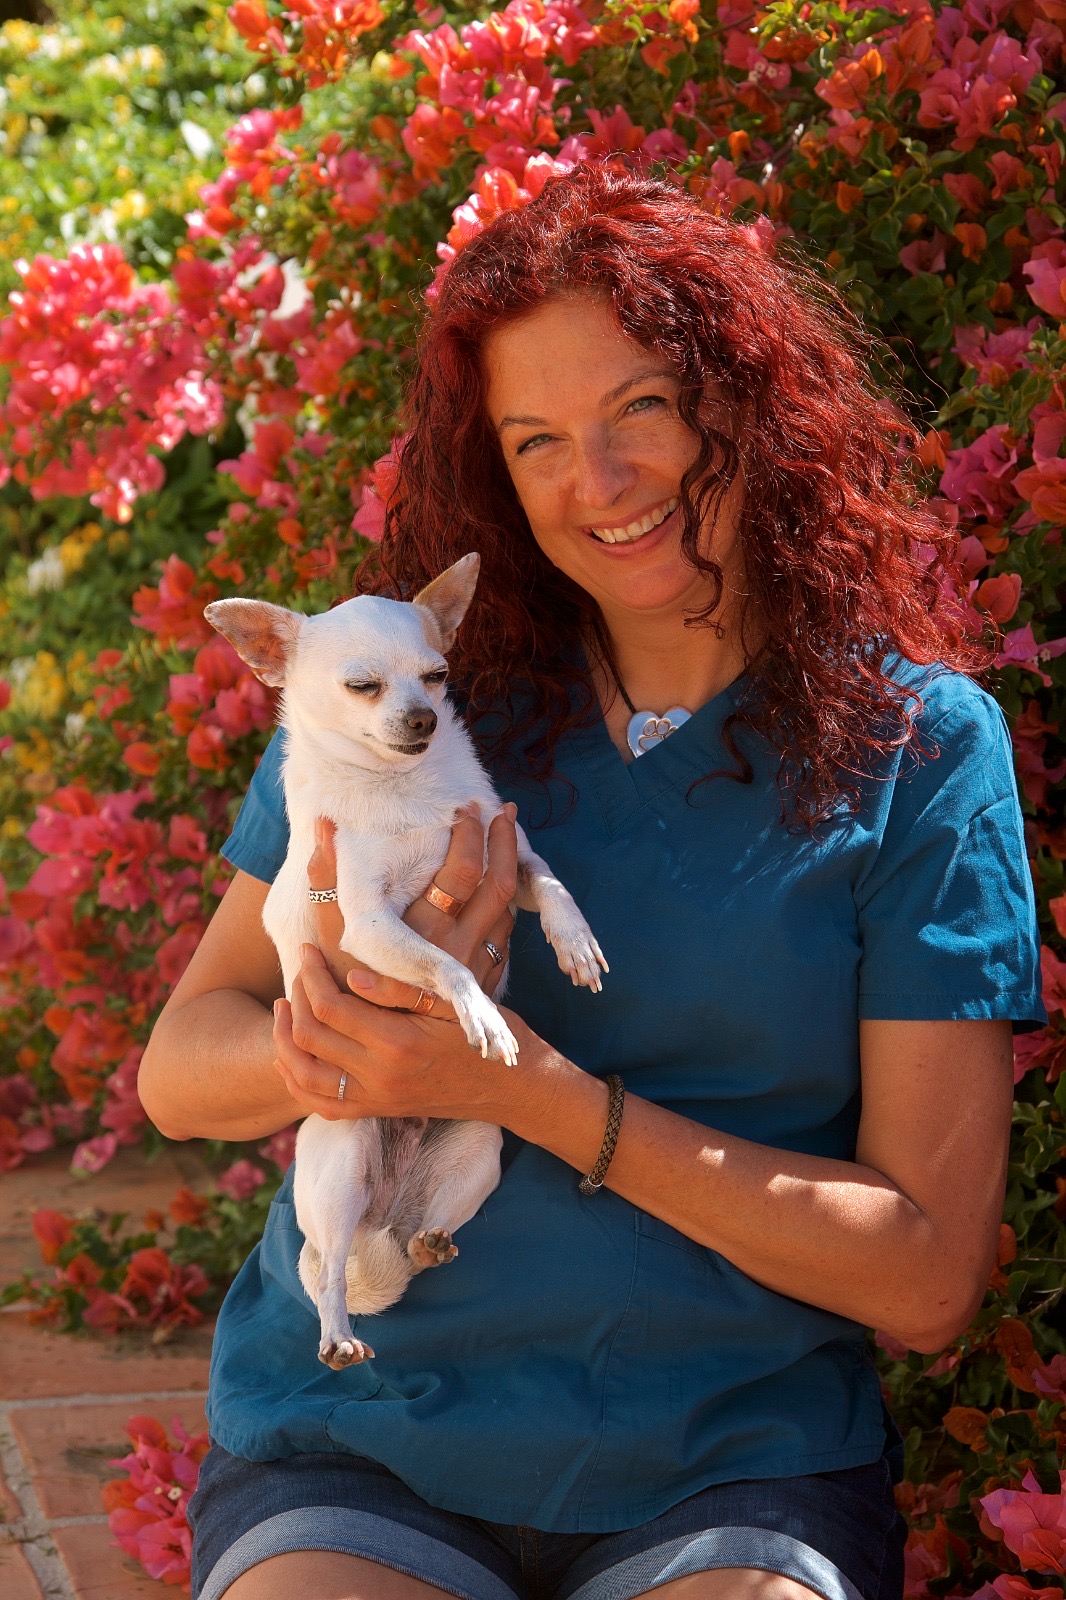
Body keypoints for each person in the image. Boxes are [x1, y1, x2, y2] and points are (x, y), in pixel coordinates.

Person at [139, 161, 1045, 1600]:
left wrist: (525, 1091)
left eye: (642, 407)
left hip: (726, 1456)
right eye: (537, 440)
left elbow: (928, 1279)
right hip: (364, 1438)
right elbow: (183, 1072)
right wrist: (349, 1034)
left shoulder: (919, 752)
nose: (600, 481)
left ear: (749, 407)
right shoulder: (404, 712)